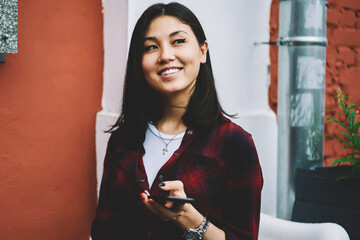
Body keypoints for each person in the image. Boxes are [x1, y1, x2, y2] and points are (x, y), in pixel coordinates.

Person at [91, 2, 263, 240]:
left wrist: (194, 222)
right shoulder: (123, 140)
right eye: (151, 47)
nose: (165, 56)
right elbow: (103, 229)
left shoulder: (235, 143)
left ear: (203, 51)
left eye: (178, 41)